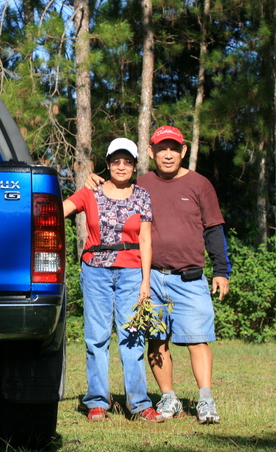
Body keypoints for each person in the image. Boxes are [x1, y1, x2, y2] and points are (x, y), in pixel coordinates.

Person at [86, 126, 230, 424]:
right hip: (149, 276)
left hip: (189, 277)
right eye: (161, 148)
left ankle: (205, 400)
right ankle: (168, 397)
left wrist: (221, 271)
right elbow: (113, 187)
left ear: (183, 151)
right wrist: (91, 179)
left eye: (174, 148)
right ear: (151, 152)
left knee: (198, 339)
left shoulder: (200, 184)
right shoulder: (141, 183)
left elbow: (214, 229)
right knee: (155, 339)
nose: (168, 154)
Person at [64, 138, 163, 423]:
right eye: (116, 161)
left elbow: (145, 240)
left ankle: (139, 404)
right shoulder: (90, 192)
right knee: (97, 337)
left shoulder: (142, 195)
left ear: (134, 165)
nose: (122, 166)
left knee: (132, 336)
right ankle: (97, 402)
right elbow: (58, 210)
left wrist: (146, 281)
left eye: (127, 161)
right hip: (95, 271)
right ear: (107, 164)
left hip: (132, 273)